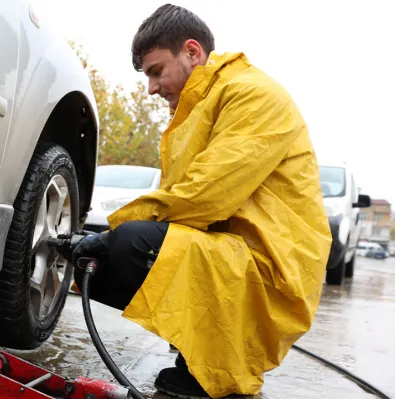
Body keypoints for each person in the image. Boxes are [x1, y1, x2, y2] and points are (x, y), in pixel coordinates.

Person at [71, 4, 332, 398]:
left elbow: (205, 197)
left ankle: (213, 372)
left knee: (127, 247)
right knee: (97, 270)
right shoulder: (203, 106)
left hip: (268, 268)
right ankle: (200, 360)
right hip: (233, 253)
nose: (151, 88)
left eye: (156, 72)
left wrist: (112, 232)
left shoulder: (252, 95)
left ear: (192, 52)